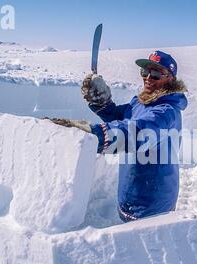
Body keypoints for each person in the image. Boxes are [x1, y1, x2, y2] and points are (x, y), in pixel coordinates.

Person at [50, 51, 187, 222]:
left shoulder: (167, 112)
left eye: (157, 74)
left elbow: (137, 132)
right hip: (131, 188)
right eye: (145, 72)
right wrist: (100, 101)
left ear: (171, 79)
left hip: (153, 203)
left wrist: (95, 133)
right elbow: (120, 117)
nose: (148, 78)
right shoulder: (140, 101)